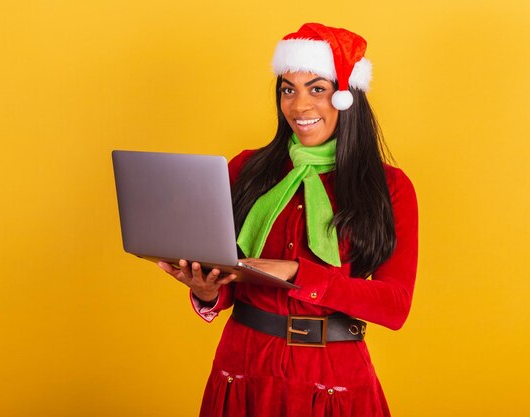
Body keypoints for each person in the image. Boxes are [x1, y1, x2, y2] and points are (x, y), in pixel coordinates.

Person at [157, 23, 418, 417]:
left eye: (317, 89)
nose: (299, 106)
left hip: (332, 378)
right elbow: (228, 280)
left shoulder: (390, 187)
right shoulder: (246, 168)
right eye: (288, 90)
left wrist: (298, 273)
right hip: (242, 369)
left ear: (347, 96)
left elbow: (394, 306)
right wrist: (206, 289)